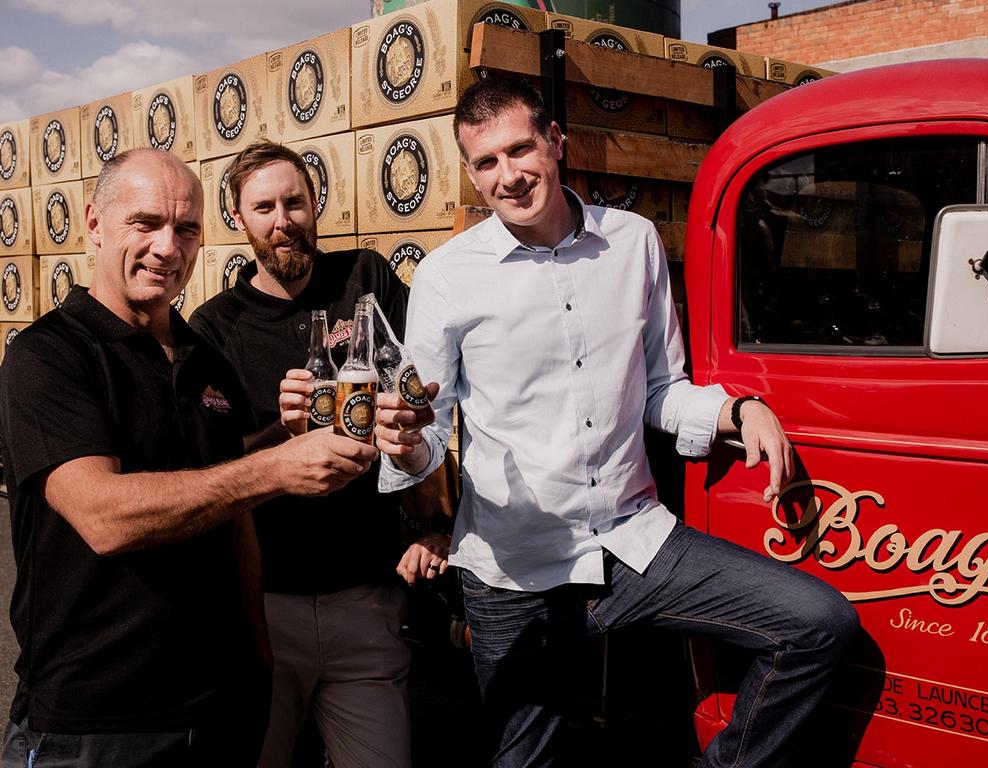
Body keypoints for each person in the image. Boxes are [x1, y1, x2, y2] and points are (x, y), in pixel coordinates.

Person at [375, 77, 860, 768]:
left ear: (555, 142)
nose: (508, 176)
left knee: (817, 625)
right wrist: (403, 445)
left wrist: (734, 409)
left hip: (635, 543)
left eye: (520, 150)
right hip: (514, 566)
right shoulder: (448, 276)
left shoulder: (631, 243)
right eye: (485, 162)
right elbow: (428, 426)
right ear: (470, 172)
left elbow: (661, 388)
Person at [0, 148, 377, 768]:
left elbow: (234, 515)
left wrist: (259, 660)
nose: (167, 248)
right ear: (94, 223)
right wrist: (275, 469)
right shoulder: (50, 357)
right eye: (144, 223)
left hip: (216, 712)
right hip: (94, 726)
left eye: (187, 229)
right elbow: (105, 516)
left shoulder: (205, 360)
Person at [190, 141, 443, 768]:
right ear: (239, 219)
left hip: (367, 598)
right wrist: (282, 430)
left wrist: (434, 518)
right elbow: (205, 477)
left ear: (314, 204)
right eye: (265, 207)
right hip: (266, 606)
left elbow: (419, 410)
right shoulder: (213, 327)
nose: (283, 220)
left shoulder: (366, 277)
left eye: (294, 202)